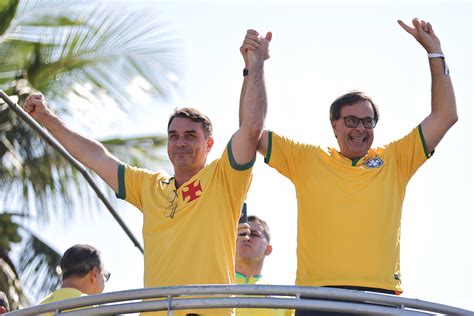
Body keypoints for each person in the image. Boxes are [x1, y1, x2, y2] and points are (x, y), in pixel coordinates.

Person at [24, 30, 272, 316]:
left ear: (209, 144)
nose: (180, 142)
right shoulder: (149, 186)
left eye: (191, 136)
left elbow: (250, 128)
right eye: (173, 135)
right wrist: (47, 119)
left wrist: (253, 66)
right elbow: (95, 156)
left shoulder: (224, 178)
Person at [241, 19, 457, 315]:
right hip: (318, 297)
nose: (360, 129)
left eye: (368, 121)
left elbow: (446, 115)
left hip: (380, 297)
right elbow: (251, 129)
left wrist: (435, 53)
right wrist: (254, 67)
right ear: (335, 125)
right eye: (351, 121)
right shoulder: (307, 159)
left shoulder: (396, 159)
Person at [235, 215, 292, 316]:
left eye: (254, 234)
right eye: (242, 233)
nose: (247, 238)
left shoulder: (284, 297)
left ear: (268, 249)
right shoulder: (213, 289)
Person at [39, 244, 109, 310]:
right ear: (95, 273)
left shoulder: (40, 306)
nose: (105, 279)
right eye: (105, 275)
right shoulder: (89, 308)